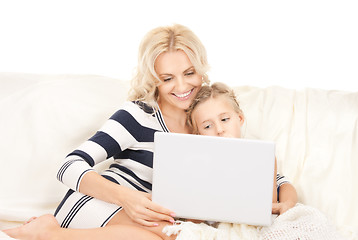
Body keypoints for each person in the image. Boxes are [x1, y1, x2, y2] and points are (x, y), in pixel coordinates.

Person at [3, 23, 210, 240]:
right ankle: (46, 233)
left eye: (189, 73)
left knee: (182, 235)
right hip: (96, 206)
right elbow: (68, 166)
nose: (182, 86)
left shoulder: (206, 124)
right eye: (167, 78)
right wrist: (128, 199)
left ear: (201, 69)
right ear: (154, 79)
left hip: (145, 218)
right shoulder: (138, 115)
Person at [186, 82, 298, 214]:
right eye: (208, 126)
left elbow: (280, 190)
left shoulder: (258, 156)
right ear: (198, 134)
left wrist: (287, 204)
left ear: (239, 118)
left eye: (225, 119)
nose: (220, 130)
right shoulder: (200, 164)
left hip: (259, 217)